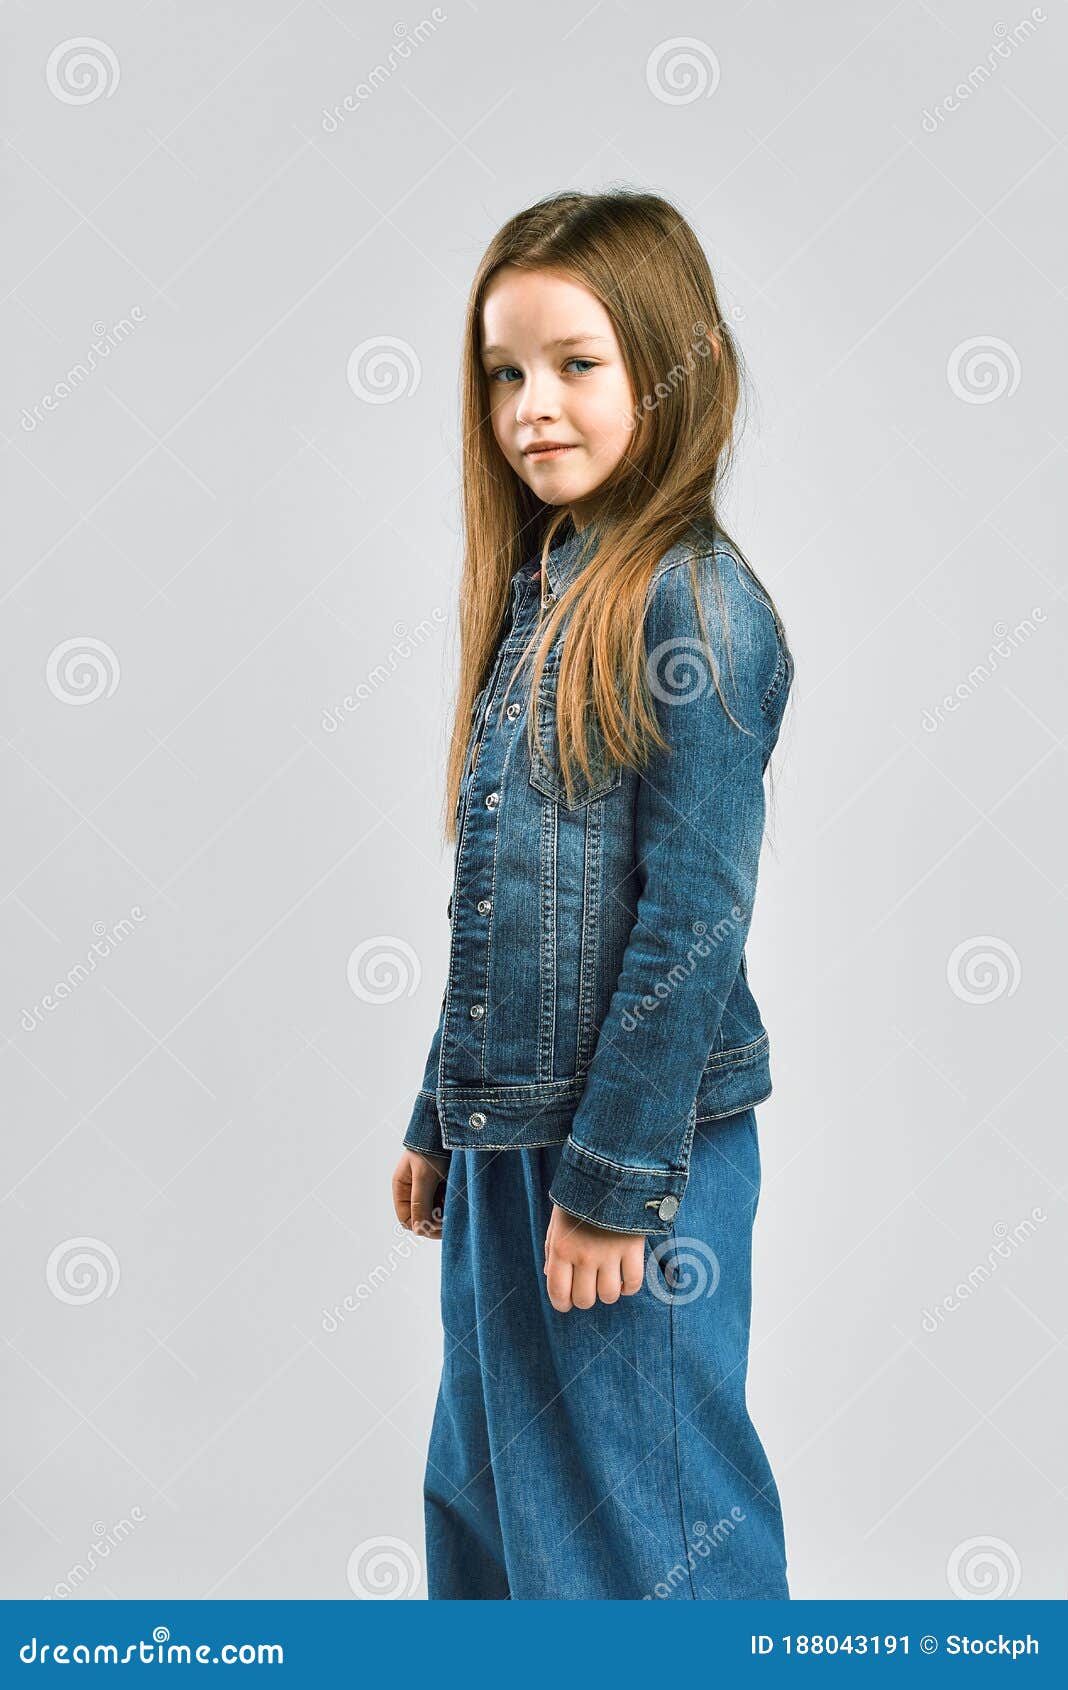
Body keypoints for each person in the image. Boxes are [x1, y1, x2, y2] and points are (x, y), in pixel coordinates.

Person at [390, 189, 795, 1601]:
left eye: (576, 364)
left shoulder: (696, 607)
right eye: (504, 372)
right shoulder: (539, 592)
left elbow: (692, 920)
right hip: (511, 1145)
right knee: (496, 1492)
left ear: (672, 369)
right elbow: (500, 910)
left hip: (630, 1155)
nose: (530, 407)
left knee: (648, 1511)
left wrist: (616, 1190)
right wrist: (440, 1116)